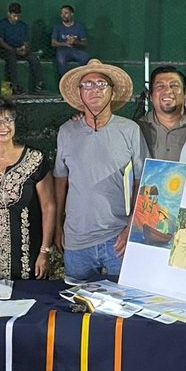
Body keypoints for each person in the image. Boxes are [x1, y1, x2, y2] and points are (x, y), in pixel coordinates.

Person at [54, 59, 147, 281]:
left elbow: (143, 181)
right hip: (77, 239)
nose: (94, 89)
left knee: (124, 307)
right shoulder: (67, 131)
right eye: (87, 85)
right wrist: (58, 225)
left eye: (101, 84)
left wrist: (132, 228)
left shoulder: (130, 130)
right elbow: (60, 179)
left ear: (112, 93)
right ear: (79, 93)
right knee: (77, 306)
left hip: (118, 237)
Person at [0, 97, 57, 280]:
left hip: (27, 254)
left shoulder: (34, 159)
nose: (3, 126)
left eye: (8, 119)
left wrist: (45, 251)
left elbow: (49, 207)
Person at [136, 65, 186, 162]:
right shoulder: (137, 128)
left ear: (185, 93)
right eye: (160, 86)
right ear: (150, 95)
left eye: (174, 86)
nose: (167, 91)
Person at [0, 2, 45, 95]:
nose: (16, 18)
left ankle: (39, 84)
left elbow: (26, 42)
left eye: (18, 16)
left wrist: (24, 49)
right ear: (8, 14)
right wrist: (13, 50)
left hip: (20, 50)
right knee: (11, 59)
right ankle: (14, 87)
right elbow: (0, 41)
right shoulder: (2, 24)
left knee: (34, 58)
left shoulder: (23, 25)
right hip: (6, 50)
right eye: (14, 16)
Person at [51, 4, 90, 76]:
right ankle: (65, 82)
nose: (63, 15)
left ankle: (82, 80)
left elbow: (85, 43)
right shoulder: (57, 27)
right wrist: (65, 44)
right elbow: (53, 43)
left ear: (71, 14)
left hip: (76, 50)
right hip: (62, 51)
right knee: (61, 60)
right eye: (62, 13)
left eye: (66, 13)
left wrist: (75, 41)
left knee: (86, 58)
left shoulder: (79, 27)